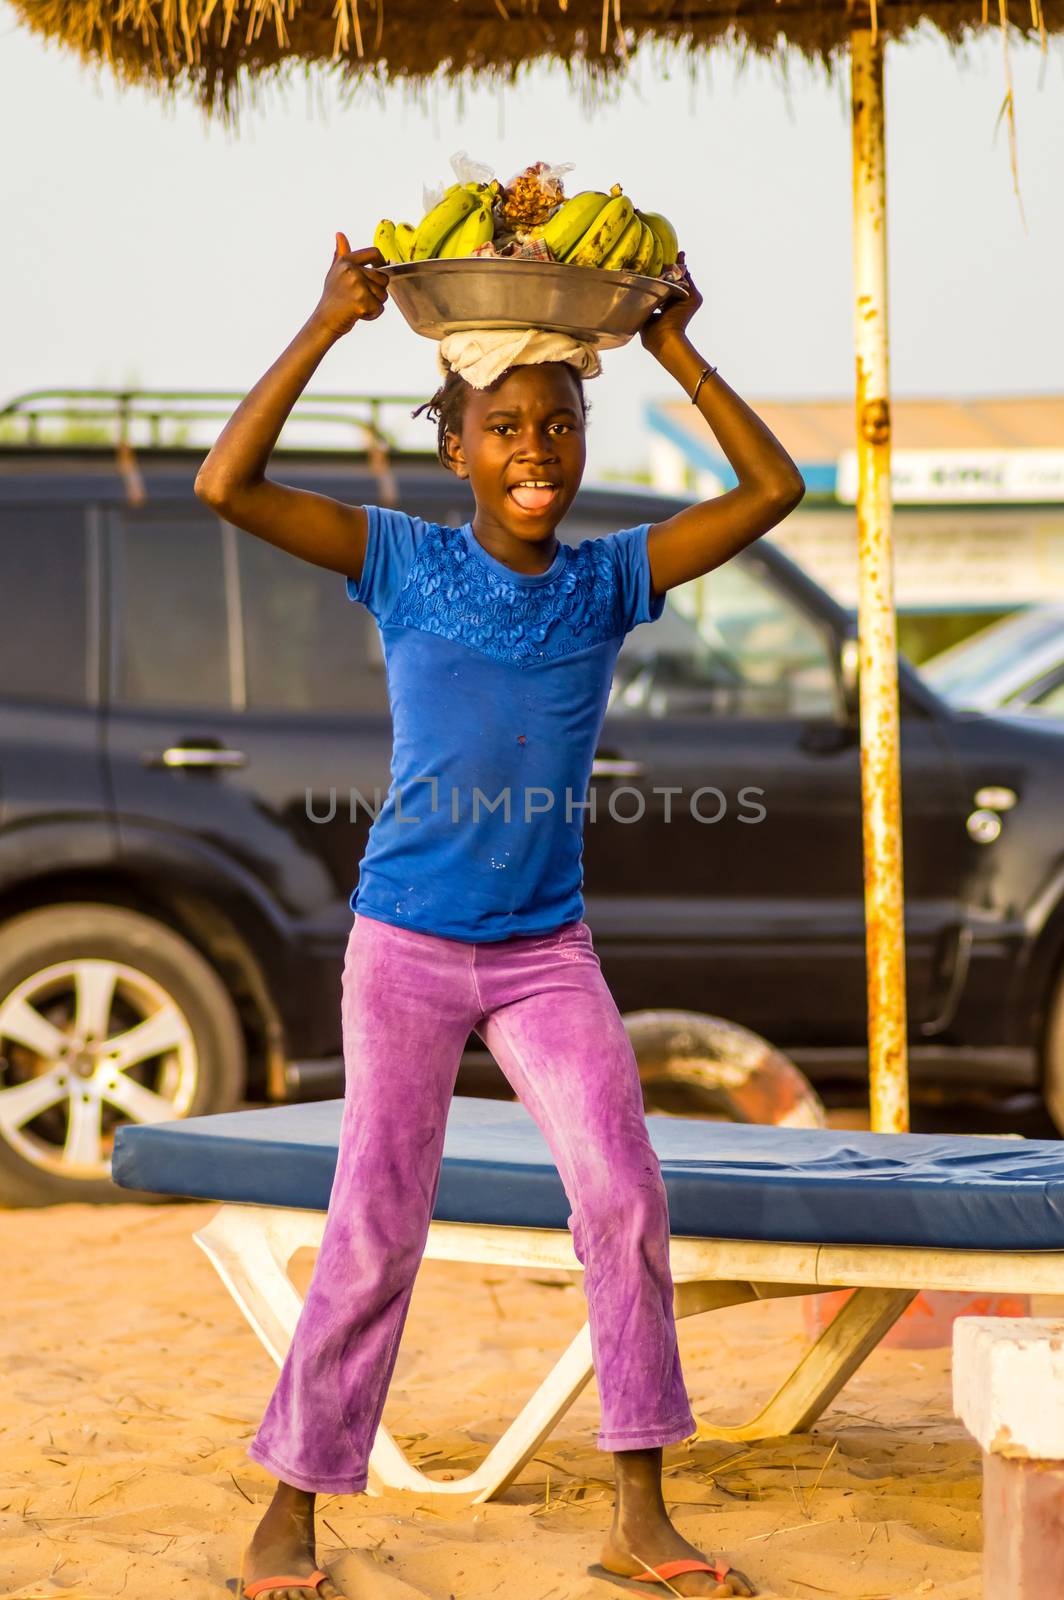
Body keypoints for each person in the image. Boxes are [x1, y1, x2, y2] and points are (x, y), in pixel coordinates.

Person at [195, 228, 804, 1600]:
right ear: (457, 447)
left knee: (623, 1196)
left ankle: (638, 1513)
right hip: (407, 946)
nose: (536, 448)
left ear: (584, 438)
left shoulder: (609, 581)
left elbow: (774, 486)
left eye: (560, 425)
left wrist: (674, 349)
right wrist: (324, 322)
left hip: (547, 956)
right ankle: (290, 1510)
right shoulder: (402, 560)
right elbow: (224, 483)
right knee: (376, 1225)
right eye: (507, 427)